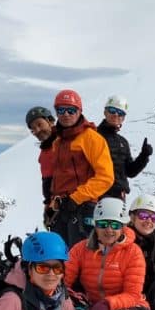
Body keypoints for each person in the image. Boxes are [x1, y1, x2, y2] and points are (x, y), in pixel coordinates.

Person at [47, 89, 114, 248]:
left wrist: (76, 198)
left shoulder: (91, 138)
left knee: (82, 256)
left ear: (79, 111)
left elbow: (105, 177)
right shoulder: (58, 140)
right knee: (60, 256)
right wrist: (52, 204)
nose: (66, 114)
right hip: (62, 208)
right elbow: (59, 177)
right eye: (61, 110)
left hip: (83, 207)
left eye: (71, 110)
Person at [96, 95, 153, 200]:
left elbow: (130, 172)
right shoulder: (93, 136)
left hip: (118, 197)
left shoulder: (122, 142)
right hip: (96, 194)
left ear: (123, 118)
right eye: (112, 110)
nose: (116, 115)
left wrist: (144, 156)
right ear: (105, 112)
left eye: (120, 113)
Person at [26, 106, 57, 224]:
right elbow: (47, 180)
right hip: (55, 206)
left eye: (39, 124)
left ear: (50, 121)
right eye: (33, 129)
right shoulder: (44, 152)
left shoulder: (65, 143)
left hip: (70, 204)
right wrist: (48, 203)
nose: (37, 130)